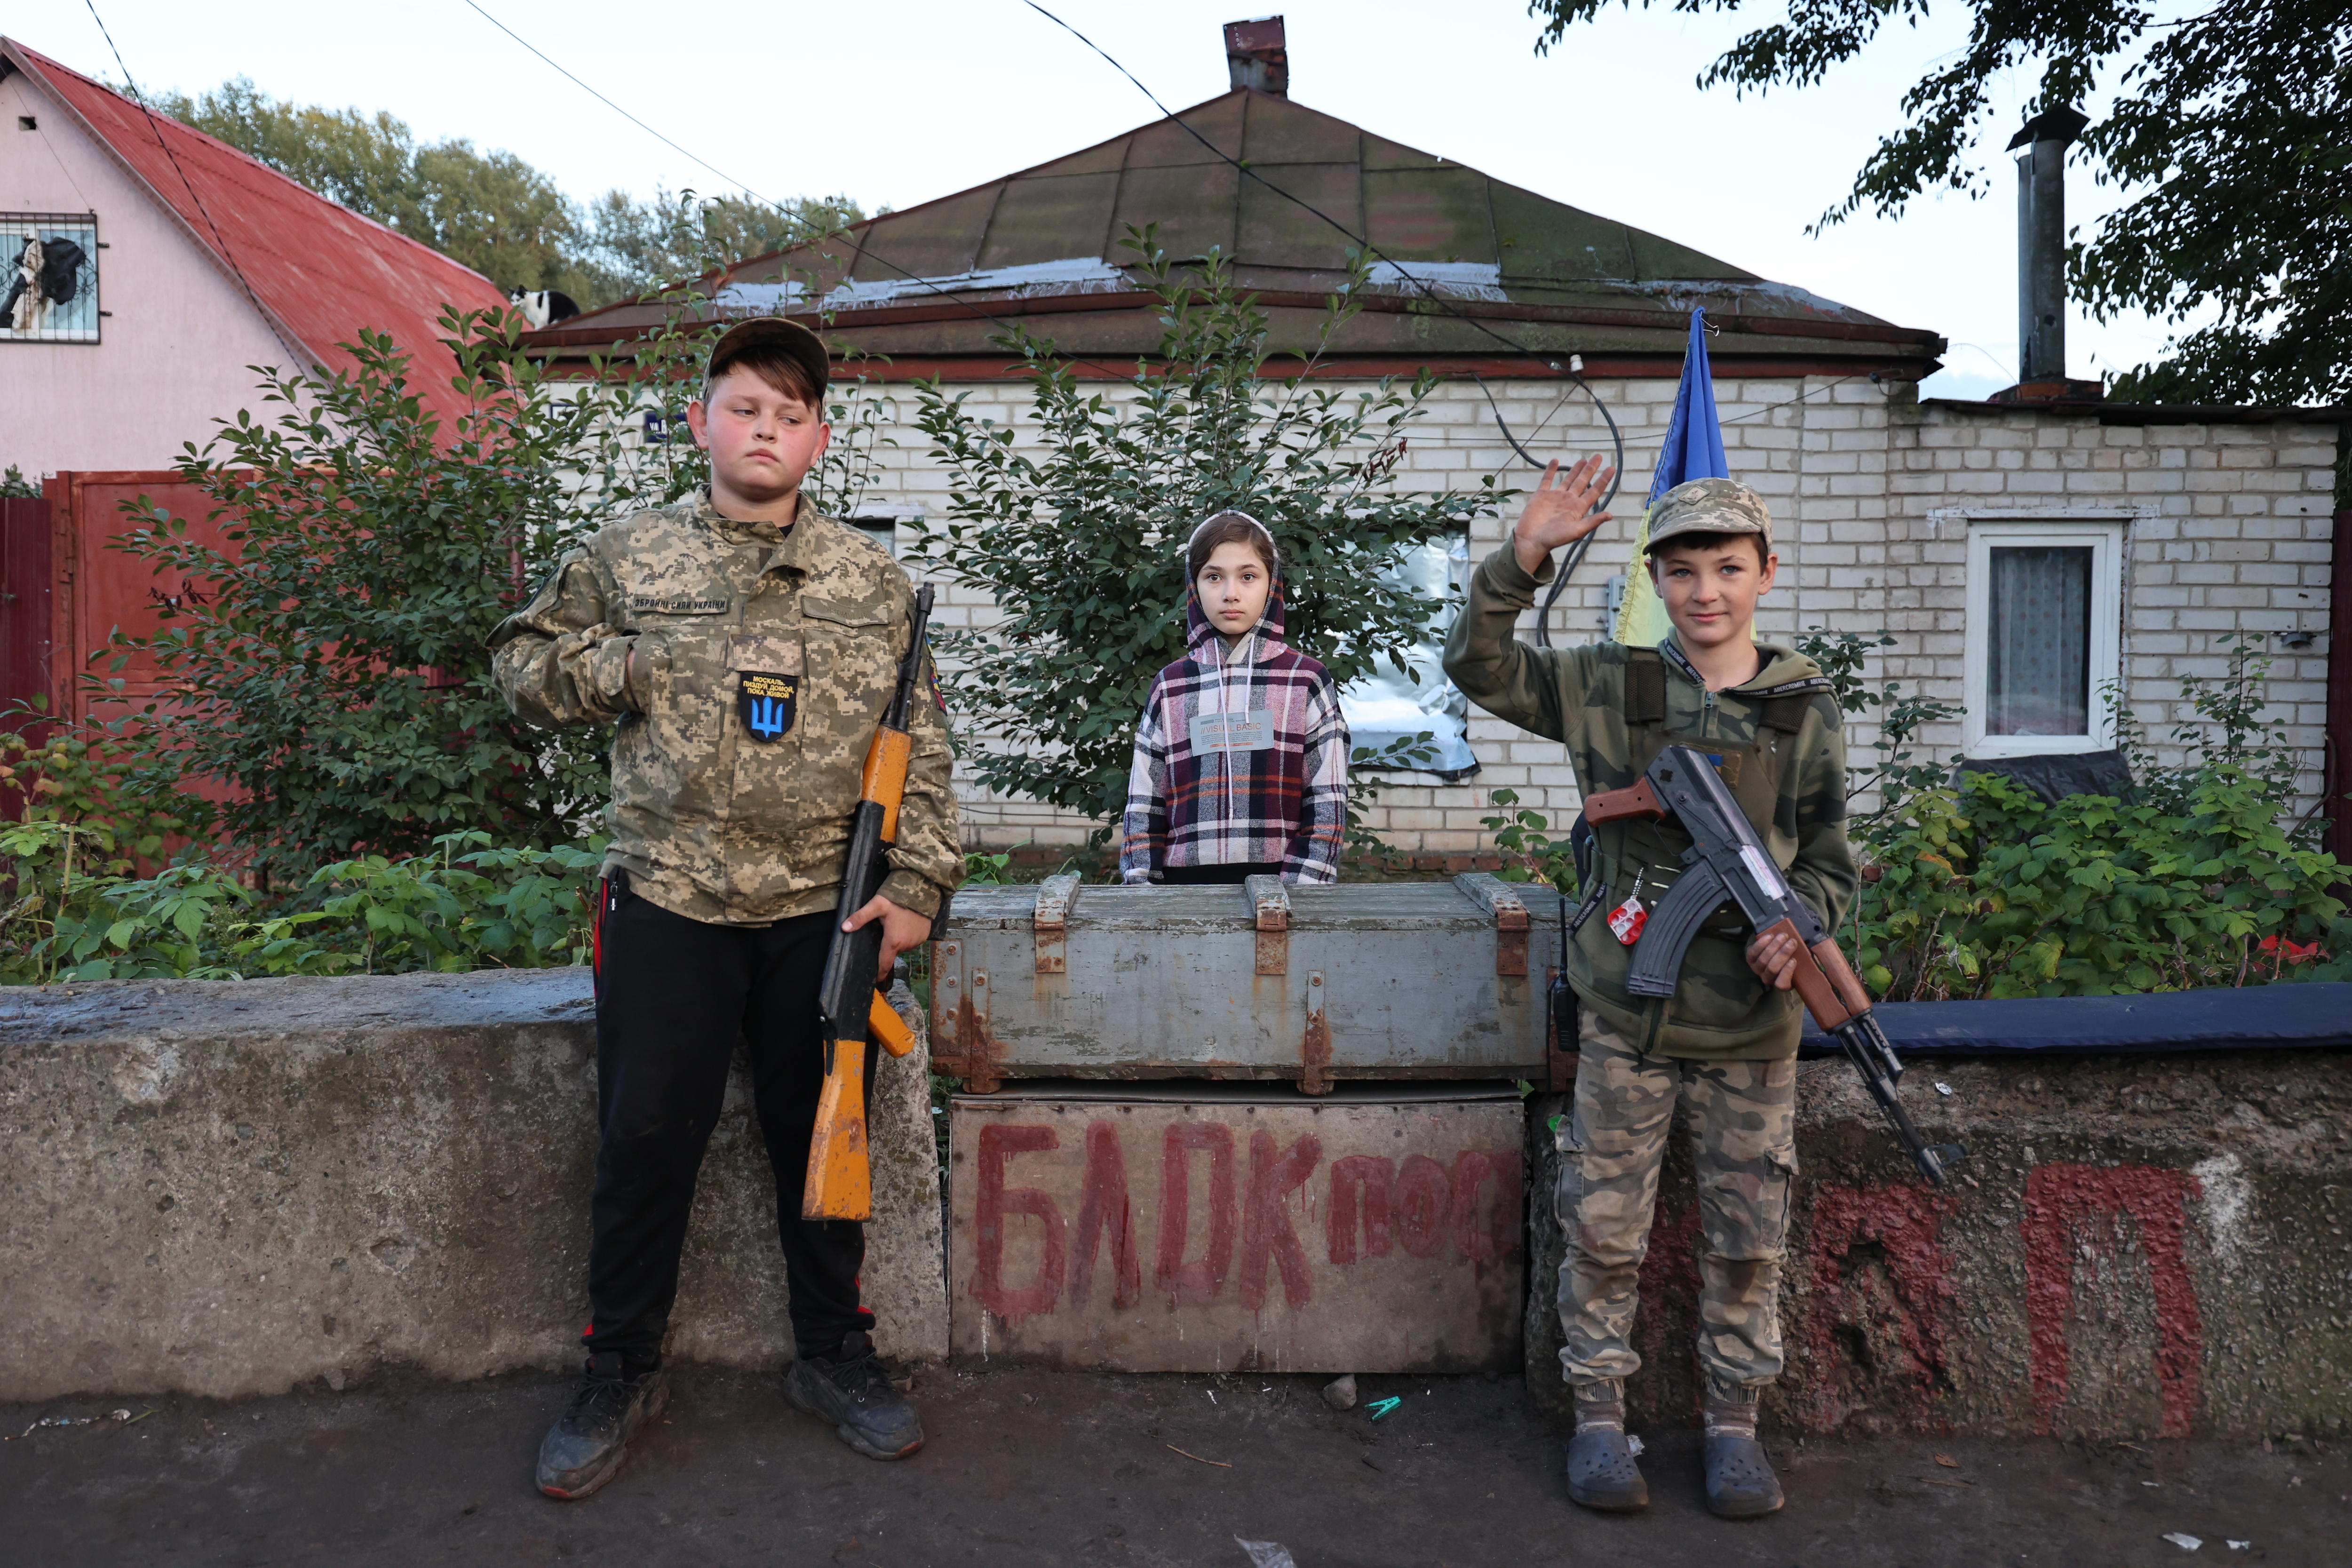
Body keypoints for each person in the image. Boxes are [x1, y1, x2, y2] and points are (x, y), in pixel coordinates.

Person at [490, 317, 960, 1500]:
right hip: (671, 898)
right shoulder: (628, 556)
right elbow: (521, 671)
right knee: (645, 1142)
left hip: (825, 907)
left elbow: (928, 743)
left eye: (790, 415)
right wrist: (633, 667)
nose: (766, 431)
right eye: (745, 407)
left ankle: (834, 1353)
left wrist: (917, 886)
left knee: (827, 1140)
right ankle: (621, 1368)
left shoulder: (873, 577)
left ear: (820, 439)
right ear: (701, 420)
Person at [1442, 458, 1855, 1520]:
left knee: (1746, 1234)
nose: (1704, 590)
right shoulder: (1611, 685)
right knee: (1603, 1227)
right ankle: (1595, 1418)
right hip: (1628, 1014)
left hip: (1751, 1030)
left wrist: (1795, 927)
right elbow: (1479, 667)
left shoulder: (1801, 707)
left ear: (1766, 572)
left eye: (1726, 567)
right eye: (1680, 571)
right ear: (1655, 581)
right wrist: (1523, 556)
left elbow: (1826, 861)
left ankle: (1732, 1426)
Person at [1119, 510, 1348, 886]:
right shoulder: (1171, 685)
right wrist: (1143, 887)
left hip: (1283, 886)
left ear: (1271, 583)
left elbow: (1327, 798)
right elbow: (1144, 800)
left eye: (1248, 576)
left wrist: (1306, 890)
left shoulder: (1305, 680)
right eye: (1214, 577)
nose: (1231, 593)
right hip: (1182, 888)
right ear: (1194, 587)